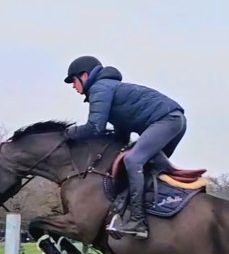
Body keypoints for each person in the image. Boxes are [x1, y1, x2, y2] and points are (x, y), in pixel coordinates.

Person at [63, 55, 186, 239]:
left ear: (84, 75)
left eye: (73, 81)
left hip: (167, 121)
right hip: (175, 121)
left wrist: (67, 134)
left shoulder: (99, 88)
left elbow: (95, 127)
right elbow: (122, 134)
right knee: (143, 167)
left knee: (133, 160)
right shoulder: (109, 88)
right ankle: (153, 212)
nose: (73, 86)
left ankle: (138, 222)